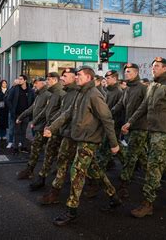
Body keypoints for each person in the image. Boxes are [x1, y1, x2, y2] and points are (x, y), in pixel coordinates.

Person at [45, 65, 121, 226]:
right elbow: (67, 114)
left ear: (88, 78)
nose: (76, 77)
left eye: (79, 75)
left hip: (90, 140)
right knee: (94, 171)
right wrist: (52, 128)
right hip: (79, 138)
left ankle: (71, 210)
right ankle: (114, 197)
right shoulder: (81, 94)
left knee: (77, 172)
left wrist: (114, 144)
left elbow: (107, 119)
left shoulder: (94, 95)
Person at [122, 57, 166, 218]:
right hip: (151, 130)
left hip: (164, 131)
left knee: (153, 165)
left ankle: (148, 203)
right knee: (163, 163)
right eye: (153, 66)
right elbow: (143, 106)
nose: (154, 68)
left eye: (158, 66)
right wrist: (130, 123)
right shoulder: (152, 85)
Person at [39, 68, 79, 204]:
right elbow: (63, 113)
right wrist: (51, 126)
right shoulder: (67, 93)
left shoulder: (77, 93)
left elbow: (105, 117)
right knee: (63, 161)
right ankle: (54, 191)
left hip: (76, 134)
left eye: (66, 76)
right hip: (66, 132)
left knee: (85, 167)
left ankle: (111, 193)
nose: (63, 78)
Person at [111, 63, 148, 199]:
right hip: (131, 126)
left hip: (140, 126)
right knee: (142, 156)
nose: (126, 73)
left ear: (136, 73)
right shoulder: (128, 89)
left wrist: (130, 122)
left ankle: (124, 184)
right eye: (125, 71)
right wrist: (108, 114)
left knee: (131, 155)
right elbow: (121, 104)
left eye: (129, 72)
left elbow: (144, 108)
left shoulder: (142, 89)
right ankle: (155, 178)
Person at [29, 72, 66, 191]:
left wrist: (51, 126)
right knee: (49, 152)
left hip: (59, 130)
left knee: (60, 155)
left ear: (55, 80)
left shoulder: (61, 93)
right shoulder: (53, 93)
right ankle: (42, 177)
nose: (47, 82)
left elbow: (62, 113)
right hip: (52, 128)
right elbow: (47, 111)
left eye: (49, 79)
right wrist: (38, 122)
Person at [16, 78, 51, 178]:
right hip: (38, 126)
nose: (34, 85)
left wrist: (35, 122)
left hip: (43, 127)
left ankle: (34, 172)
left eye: (36, 83)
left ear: (42, 84)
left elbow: (45, 112)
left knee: (39, 149)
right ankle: (31, 171)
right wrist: (21, 117)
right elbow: (32, 108)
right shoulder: (39, 95)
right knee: (38, 149)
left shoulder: (47, 95)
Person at [6, 75, 34, 152]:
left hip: (26, 114)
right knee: (17, 131)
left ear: (25, 80)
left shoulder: (30, 90)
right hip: (17, 114)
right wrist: (12, 110)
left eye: (21, 79)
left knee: (23, 131)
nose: (19, 80)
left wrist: (30, 112)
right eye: (18, 79)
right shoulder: (15, 89)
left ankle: (24, 147)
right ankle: (15, 147)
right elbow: (8, 100)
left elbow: (33, 101)